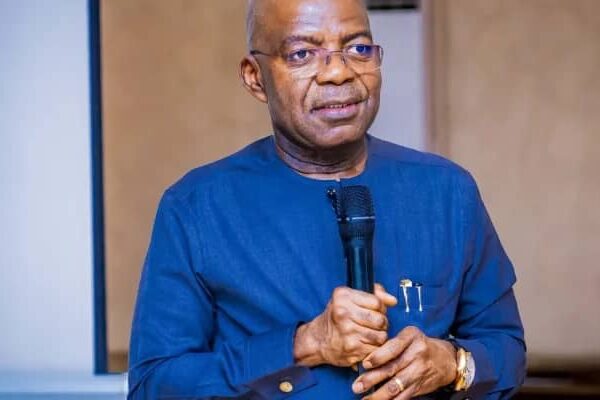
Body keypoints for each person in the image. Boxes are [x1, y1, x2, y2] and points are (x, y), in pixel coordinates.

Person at [127, 0, 526, 398]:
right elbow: (153, 386)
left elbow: (506, 350)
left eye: (358, 48)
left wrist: (453, 363)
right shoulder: (197, 208)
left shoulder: (447, 192)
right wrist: (304, 344)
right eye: (302, 54)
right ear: (255, 77)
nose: (338, 72)